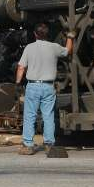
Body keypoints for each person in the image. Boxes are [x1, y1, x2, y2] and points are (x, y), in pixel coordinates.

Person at [15, 23, 74, 155]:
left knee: (30, 116)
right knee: (48, 116)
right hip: (48, 86)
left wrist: (18, 83)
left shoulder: (29, 48)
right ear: (47, 34)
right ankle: (49, 144)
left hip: (33, 86)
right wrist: (70, 37)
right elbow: (67, 51)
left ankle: (28, 145)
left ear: (35, 34)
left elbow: (21, 67)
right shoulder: (54, 47)